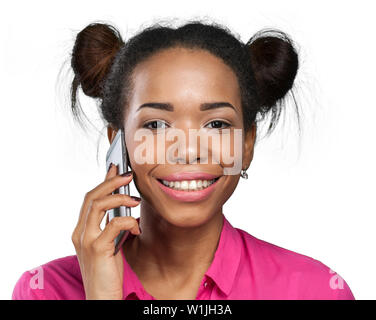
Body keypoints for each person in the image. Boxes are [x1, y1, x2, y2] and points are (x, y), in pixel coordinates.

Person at [12, 20, 355, 300]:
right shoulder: (45, 291)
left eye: (217, 124)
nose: (188, 150)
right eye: (156, 125)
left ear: (246, 145)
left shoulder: (317, 291)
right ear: (119, 142)